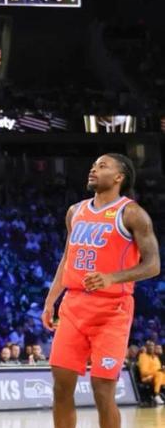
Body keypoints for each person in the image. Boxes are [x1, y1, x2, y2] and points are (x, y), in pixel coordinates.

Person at [42, 154, 160, 428]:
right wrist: (50, 300)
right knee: (61, 386)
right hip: (73, 306)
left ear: (119, 177)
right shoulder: (75, 211)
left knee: (102, 389)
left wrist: (112, 277)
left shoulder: (132, 213)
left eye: (102, 166)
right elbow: (67, 258)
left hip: (112, 310)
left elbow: (153, 264)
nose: (93, 169)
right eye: (93, 165)